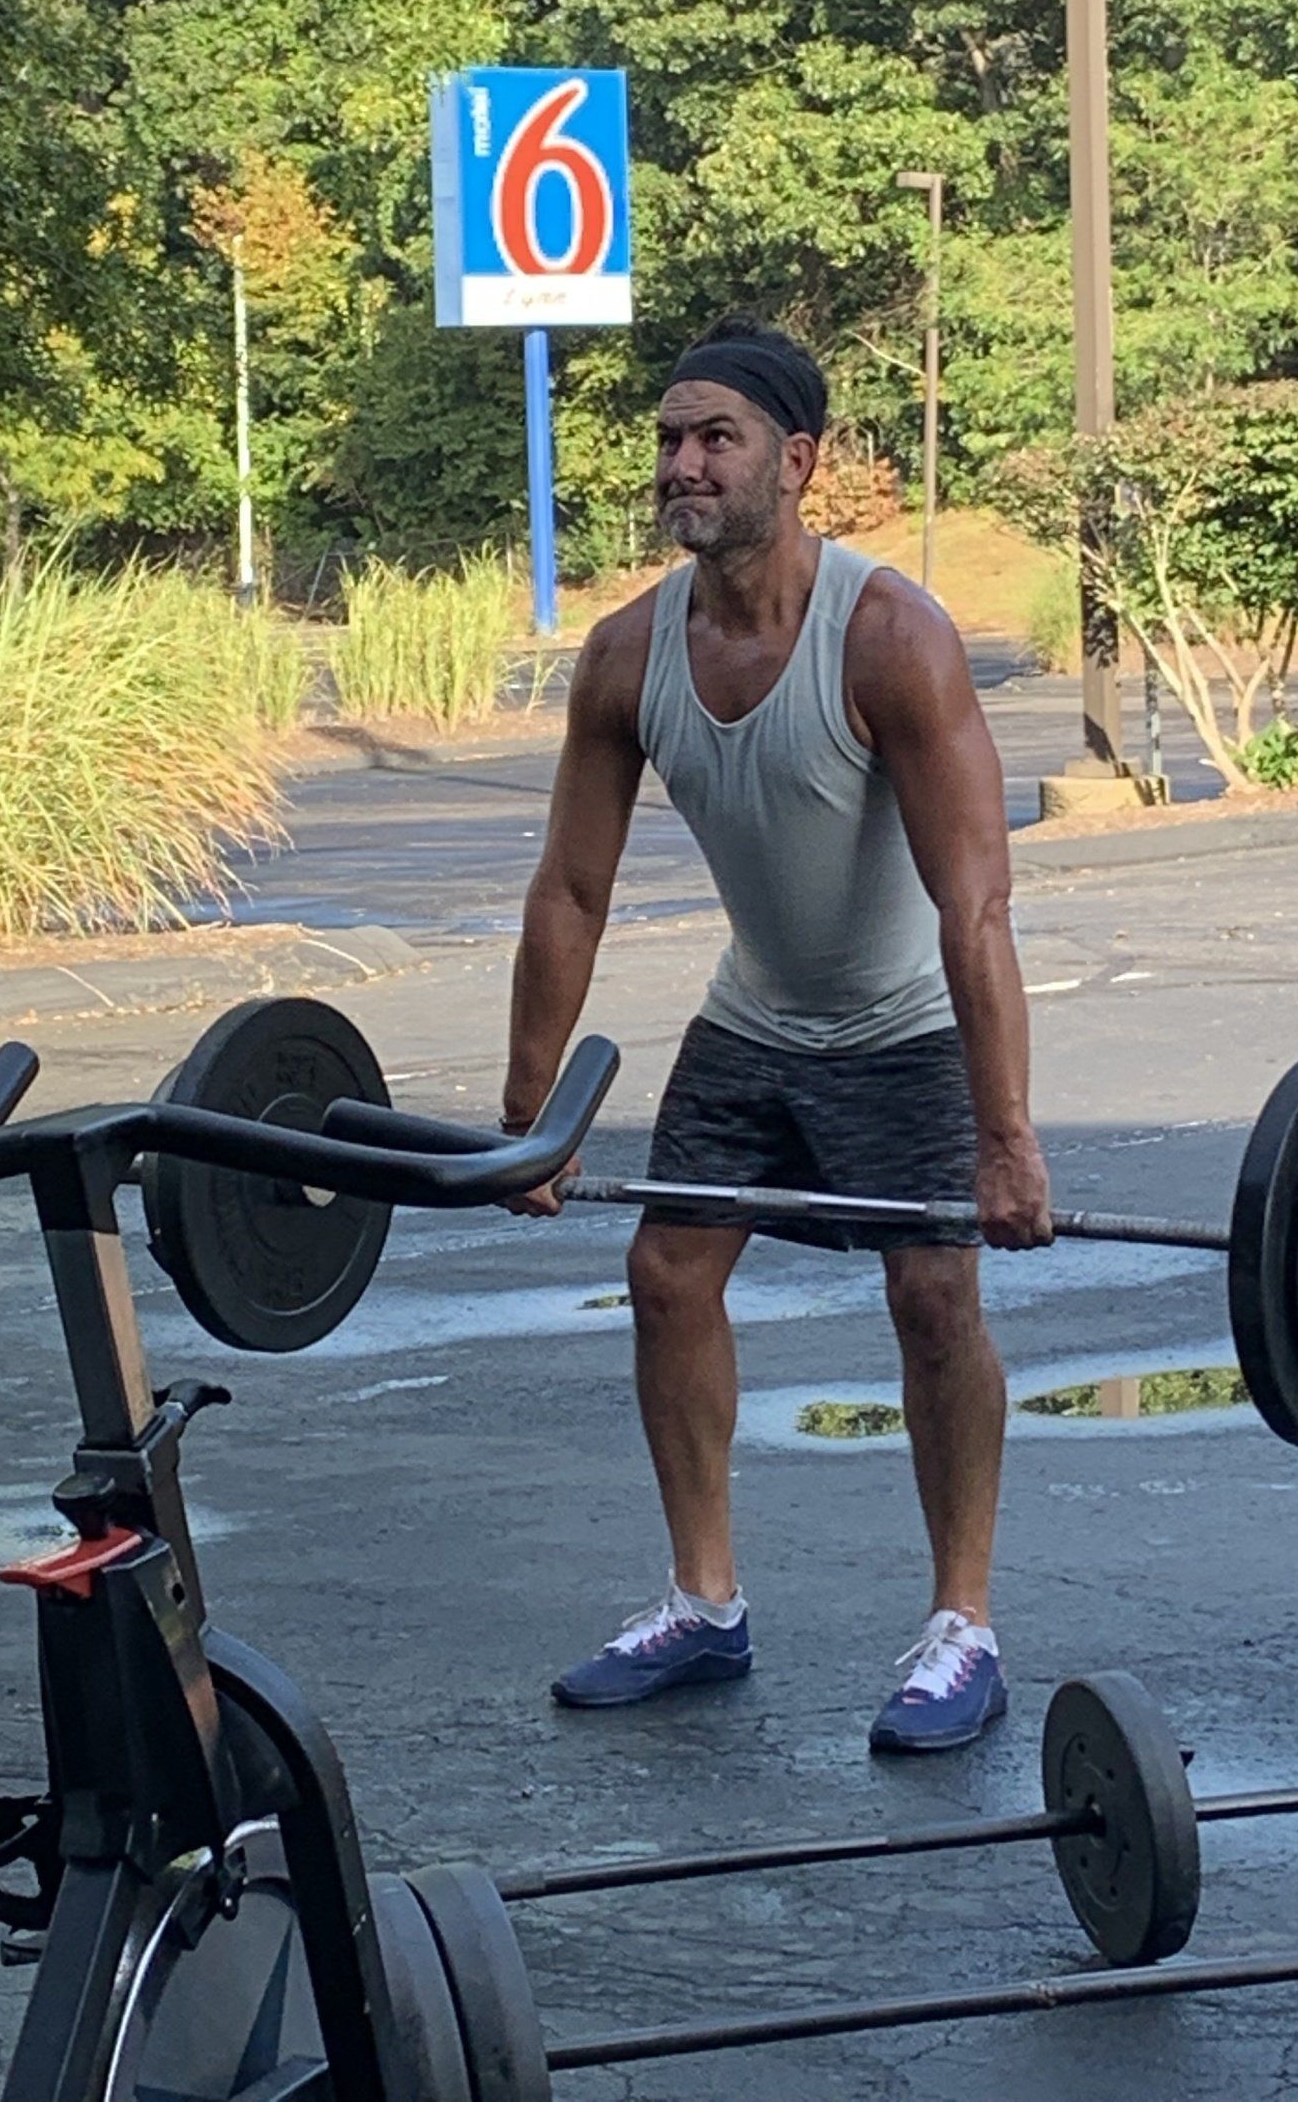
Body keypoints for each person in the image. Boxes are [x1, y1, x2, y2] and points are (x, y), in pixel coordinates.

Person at [503, 316, 1052, 1753]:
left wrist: (1006, 1142)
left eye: (716, 439)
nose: (683, 464)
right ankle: (704, 1601)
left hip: (907, 1024)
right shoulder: (629, 656)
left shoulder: (891, 638)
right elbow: (571, 889)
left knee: (935, 1304)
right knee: (667, 1271)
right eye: (671, 439)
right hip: (755, 1018)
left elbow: (977, 906)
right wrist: (528, 1119)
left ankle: (963, 1624)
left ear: (796, 464)